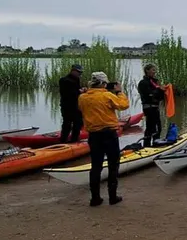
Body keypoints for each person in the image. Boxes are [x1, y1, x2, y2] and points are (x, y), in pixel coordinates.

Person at [78, 72, 130, 206]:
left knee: (96, 166)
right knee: (113, 164)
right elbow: (123, 105)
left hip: (94, 135)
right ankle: (113, 197)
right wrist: (119, 92)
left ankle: (95, 198)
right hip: (109, 133)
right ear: (102, 83)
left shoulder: (82, 97)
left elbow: (81, 109)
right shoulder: (107, 95)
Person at [137, 63, 167, 147]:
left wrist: (163, 90)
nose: (155, 72)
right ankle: (147, 145)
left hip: (155, 108)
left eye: (155, 70)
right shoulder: (143, 83)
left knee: (158, 127)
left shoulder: (155, 82)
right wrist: (159, 90)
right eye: (153, 70)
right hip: (149, 108)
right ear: (147, 70)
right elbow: (149, 95)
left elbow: (159, 97)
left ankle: (155, 143)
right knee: (151, 128)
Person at [58, 64, 85, 143]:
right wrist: (80, 91)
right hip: (67, 106)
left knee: (78, 123)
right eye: (78, 72)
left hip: (76, 106)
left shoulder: (77, 79)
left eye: (81, 73)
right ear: (73, 71)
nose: (80, 74)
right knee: (67, 124)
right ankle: (63, 141)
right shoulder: (64, 80)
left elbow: (77, 90)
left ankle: (74, 140)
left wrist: (81, 90)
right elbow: (68, 93)